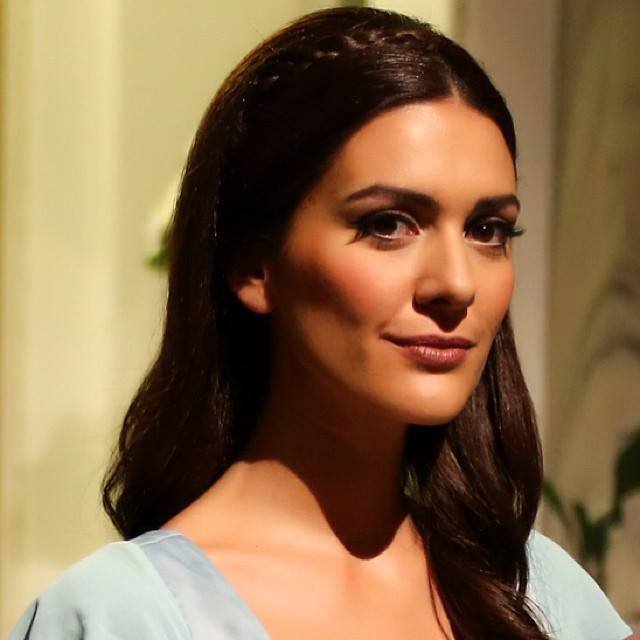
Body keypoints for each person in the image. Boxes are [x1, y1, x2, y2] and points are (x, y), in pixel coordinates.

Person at [9, 6, 635, 640]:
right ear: (253, 265)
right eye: (387, 224)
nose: (456, 283)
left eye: (488, 229)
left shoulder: (541, 597)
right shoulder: (119, 617)